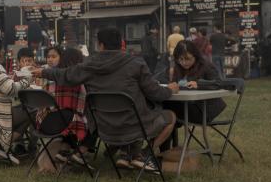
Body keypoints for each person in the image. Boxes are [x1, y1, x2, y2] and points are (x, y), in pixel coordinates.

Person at [34, 27, 177, 171]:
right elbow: (155, 92)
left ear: (100, 45)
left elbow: (66, 75)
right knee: (170, 116)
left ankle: (130, 154)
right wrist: (170, 89)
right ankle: (143, 154)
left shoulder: (90, 65)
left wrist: (43, 72)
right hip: (134, 127)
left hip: (103, 127)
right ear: (121, 43)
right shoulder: (136, 64)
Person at [37, 47, 94, 166]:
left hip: (44, 122)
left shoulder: (52, 77)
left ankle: (64, 150)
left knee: (69, 117)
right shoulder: (78, 80)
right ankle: (80, 153)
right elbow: (81, 108)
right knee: (91, 121)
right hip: (64, 123)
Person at [167, 40, 227, 124]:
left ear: (195, 56)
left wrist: (199, 84)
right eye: (181, 59)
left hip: (204, 110)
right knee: (163, 107)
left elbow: (219, 83)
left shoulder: (206, 66)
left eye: (188, 59)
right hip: (186, 105)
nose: (184, 62)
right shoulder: (177, 68)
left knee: (165, 109)